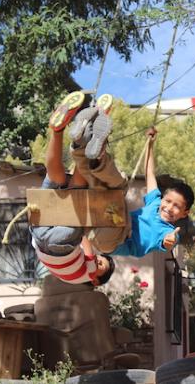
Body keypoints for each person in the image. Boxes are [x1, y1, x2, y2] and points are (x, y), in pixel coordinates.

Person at [31, 91, 116, 286]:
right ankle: (58, 130)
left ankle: (90, 131)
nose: (96, 259)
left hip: (61, 245)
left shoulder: (89, 274)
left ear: (96, 280)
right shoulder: (68, 276)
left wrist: (88, 232)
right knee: (55, 179)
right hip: (38, 234)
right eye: (100, 260)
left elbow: (86, 246)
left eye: (101, 264)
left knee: (79, 191)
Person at [109, 127, 195, 258]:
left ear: (185, 213)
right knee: (114, 184)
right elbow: (150, 174)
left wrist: (169, 241)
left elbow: (168, 242)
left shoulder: (169, 232)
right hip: (116, 223)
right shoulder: (155, 202)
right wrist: (150, 144)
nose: (169, 208)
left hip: (119, 243)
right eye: (167, 201)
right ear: (162, 199)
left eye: (177, 206)